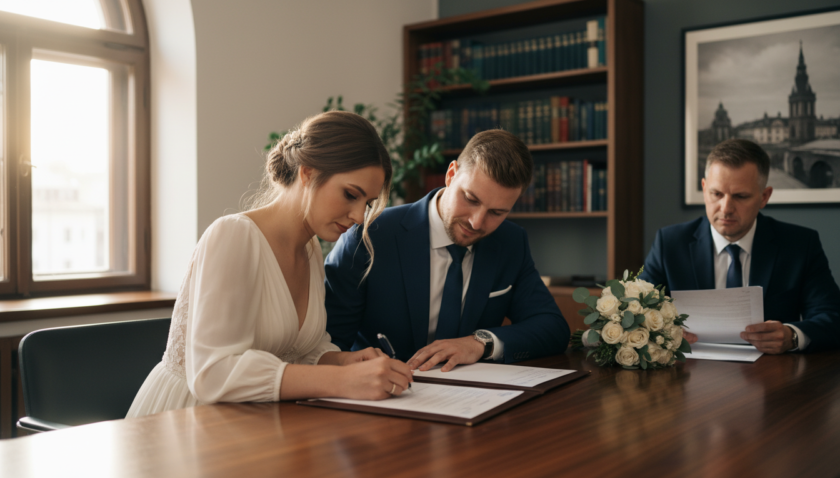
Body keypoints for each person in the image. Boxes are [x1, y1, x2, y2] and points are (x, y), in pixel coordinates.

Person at [127, 111, 413, 418]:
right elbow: (213, 373)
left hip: (258, 416)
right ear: (308, 173)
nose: (359, 216)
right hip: (190, 417)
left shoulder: (311, 249)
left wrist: (345, 362)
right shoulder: (233, 235)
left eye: (367, 203)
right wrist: (341, 380)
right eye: (350, 195)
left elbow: (303, 350)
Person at [324, 129, 570, 373]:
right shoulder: (368, 235)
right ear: (451, 174)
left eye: (497, 213)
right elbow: (328, 345)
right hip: (380, 395)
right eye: (471, 199)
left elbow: (552, 328)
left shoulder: (511, 241)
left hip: (473, 400)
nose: (477, 222)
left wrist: (480, 343)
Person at [640, 138, 840, 354]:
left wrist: (791, 336)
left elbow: (832, 317)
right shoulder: (669, 243)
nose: (726, 208)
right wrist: (663, 332)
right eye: (716, 194)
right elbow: (635, 310)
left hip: (772, 377)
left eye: (740, 196)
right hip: (686, 375)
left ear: (764, 197)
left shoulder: (800, 244)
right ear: (704, 188)